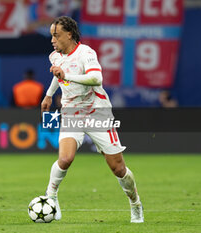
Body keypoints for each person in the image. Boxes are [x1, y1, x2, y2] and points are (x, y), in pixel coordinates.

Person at [41, 16, 144, 223]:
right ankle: (51, 197)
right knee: (65, 159)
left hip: (97, 111)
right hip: (71, 111)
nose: (52, 39)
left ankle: (136, 204)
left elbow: (96, 78)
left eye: (56, 35)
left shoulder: (86, 53)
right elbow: (58, 73)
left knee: (118, 168)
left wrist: (65, 77)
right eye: (52, 35)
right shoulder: (55, 56)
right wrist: (49, 94)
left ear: (69, 34)